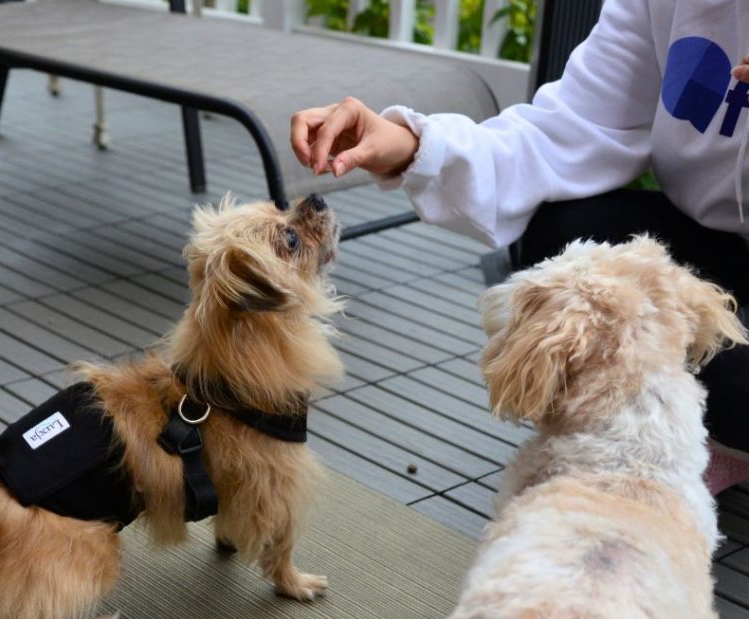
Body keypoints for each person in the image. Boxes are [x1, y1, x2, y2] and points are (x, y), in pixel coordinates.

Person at [290, 0, 749, 494]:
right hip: (716, 236)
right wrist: (411, 144)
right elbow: (567, 130)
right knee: (567, 234)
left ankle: (722, 431)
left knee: (735, 383)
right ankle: (715, 431)